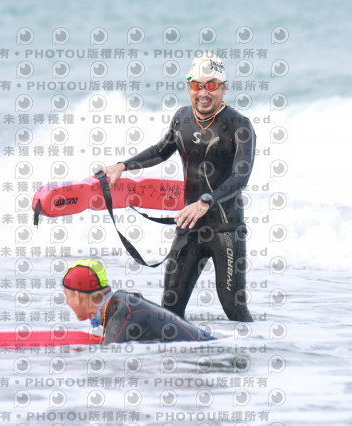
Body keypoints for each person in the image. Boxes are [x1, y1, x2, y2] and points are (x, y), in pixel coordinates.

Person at [102, 54, 256, 322]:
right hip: (189, 228)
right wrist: (122, 166)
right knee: (170, 308)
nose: (203, 93)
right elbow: (160, 151)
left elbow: (240, 177)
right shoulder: (181, 118)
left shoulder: (239, 125)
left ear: (223, 88)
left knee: (233, 308)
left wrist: (206, 201)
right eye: (197, 85)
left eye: (211, 85)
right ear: (189, 88)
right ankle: (182, 350)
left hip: (226, 230)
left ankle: (249, 348)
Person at [62, 258, 214, 344]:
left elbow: (110, 362)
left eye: (66, 295)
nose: (66, 301)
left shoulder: (122, 314)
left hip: (207, 359)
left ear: (78, 296)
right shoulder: (121, 303)